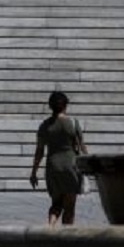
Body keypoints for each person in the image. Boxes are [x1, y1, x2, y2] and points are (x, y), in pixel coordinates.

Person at [30, 91, 88, 226]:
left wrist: (34, 172)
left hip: (53, 167)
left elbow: (39, 151)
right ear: (65, 106)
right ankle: (66, 239)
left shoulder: (45, 126)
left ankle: (50, 229)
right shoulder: (73, 123)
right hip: (71, 167)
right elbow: (82, 147)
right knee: (69, 207)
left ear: (50, 106)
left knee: (56, 204)